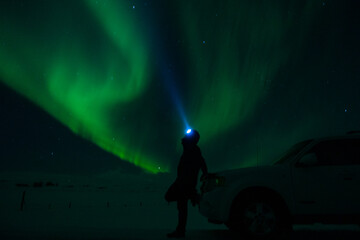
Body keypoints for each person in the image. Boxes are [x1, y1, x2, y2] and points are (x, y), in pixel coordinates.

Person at [165, 129, 208, 238]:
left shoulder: (193, 151)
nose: (183, 140)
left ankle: (180, 231)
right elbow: (201, 163)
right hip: (183, 182)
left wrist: (204, 173)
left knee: (181, 206)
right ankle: (193, 196)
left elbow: (200, 163)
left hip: (185, 183)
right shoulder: (191, 150)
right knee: (177, 202)